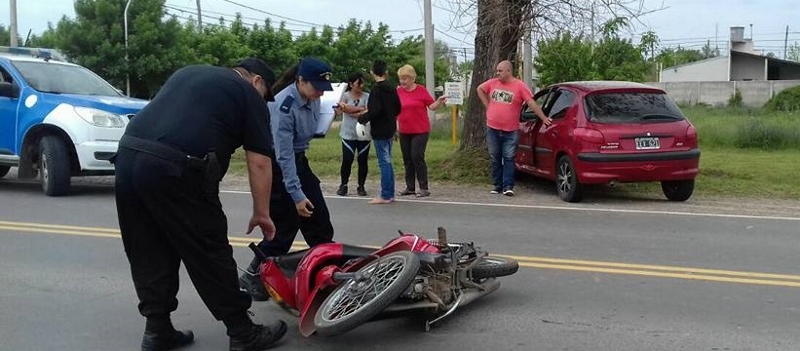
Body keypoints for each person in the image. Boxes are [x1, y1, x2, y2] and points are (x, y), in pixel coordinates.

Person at [114, 58, 287, 351]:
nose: (264, 102)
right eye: (265, 94)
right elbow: (259, 162)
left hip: (128, 158)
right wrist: (262, 212)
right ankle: (243, 332)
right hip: (176, 168)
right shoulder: (248, 95)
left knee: (148, 248)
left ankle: (157, 330)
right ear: (257, 81)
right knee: (209, 250)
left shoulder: (187, 71)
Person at [239, 57, 336, 300]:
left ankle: (323, 274)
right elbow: (283, 157)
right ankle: (253, 275)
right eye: (316, 87)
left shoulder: (313, 98)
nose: (319, 93)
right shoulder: (284, 106)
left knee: (320, 222)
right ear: (300, 81)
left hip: (299, 162)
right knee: (283, 230)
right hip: (281, 168)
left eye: (323, 89)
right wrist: (296, 195)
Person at [476, 60, 552, 196]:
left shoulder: (519, 86)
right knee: (495, 157)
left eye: (500, 71)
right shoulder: (493, 83)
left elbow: (531, 103)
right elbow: (480, 89)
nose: (497, 73)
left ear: (508, 71)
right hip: (493, 128)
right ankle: (497, 185)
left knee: (509, 157)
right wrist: (487, 105)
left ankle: (508, 186)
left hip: (510, 130)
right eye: (497, 71)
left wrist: (544, 118)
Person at [396, 64, 447, 198]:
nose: (402, 82)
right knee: (407, 159)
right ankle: (410, 187)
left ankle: (424, 187)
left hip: (420, 130)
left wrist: (439, 101)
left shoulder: (421, 90)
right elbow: (395, 109)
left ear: (412, 78)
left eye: (405, 79)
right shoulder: (398, 92)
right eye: (401, 79)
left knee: (417, 156)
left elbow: (431, 106)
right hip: (404, 130)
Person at [358, 60, 402, 204]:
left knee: (384, 162)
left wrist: (362, 118)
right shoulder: (392, 88)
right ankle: (390, 193)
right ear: (386, 72)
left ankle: (385, 194)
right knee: (388, 160)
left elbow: (375, 110)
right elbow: (398, 108)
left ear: (372, 72)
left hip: (379, 129)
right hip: (390, 127)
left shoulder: (376, 89)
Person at [335, 72, 371, 197]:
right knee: (347, 160)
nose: (361, 85)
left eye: (362, 82)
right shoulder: (344, 96)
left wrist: (350, 109)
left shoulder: (367, 96)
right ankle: (343, 185)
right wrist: (360, 109)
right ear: (351, 84)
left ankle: (361, 186)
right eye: (358, 83)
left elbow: (369, 110)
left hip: (364, 133)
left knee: (363, 160)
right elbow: (340, 110)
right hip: (348, 134)